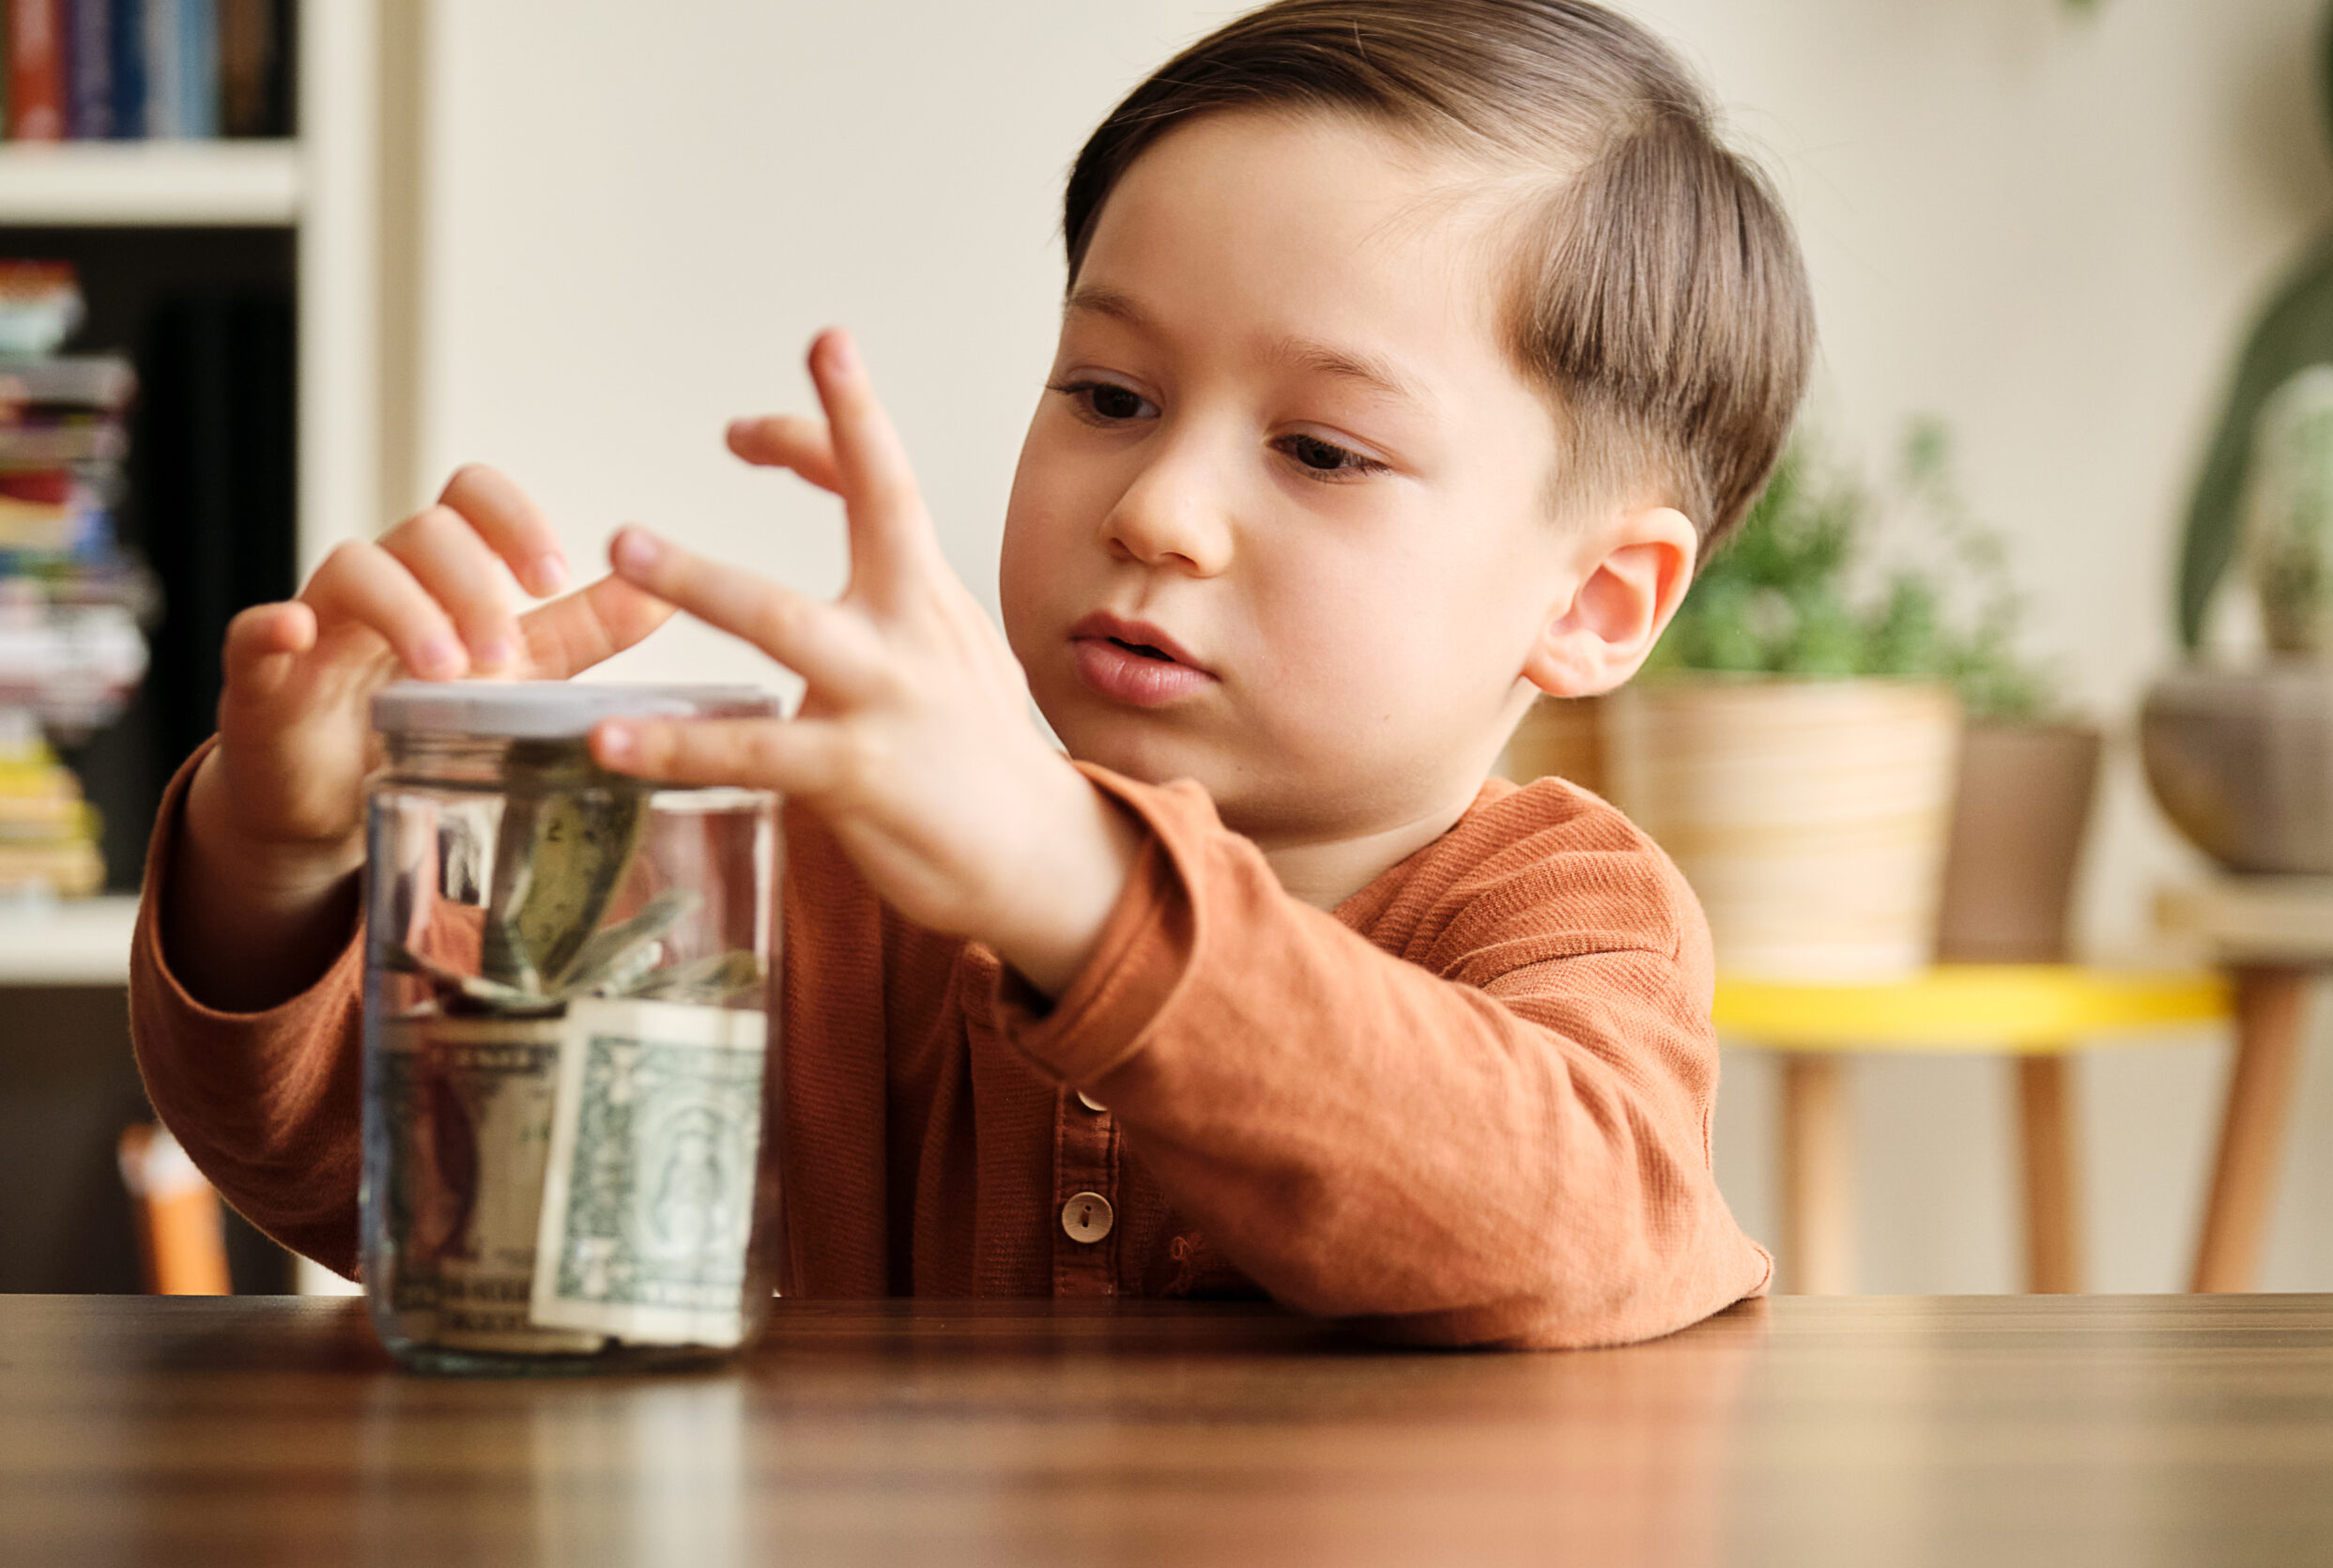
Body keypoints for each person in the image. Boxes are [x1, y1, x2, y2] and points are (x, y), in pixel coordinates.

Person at [130, 0, 1812, 1347]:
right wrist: (276, 860)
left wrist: (1078, 891)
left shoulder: (1563, 910)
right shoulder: (828, 874)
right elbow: (398, 1182)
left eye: (1320, 448)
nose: (1159, 509)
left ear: (1596, 599)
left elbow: (1578, 1229)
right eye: (1109, 395)